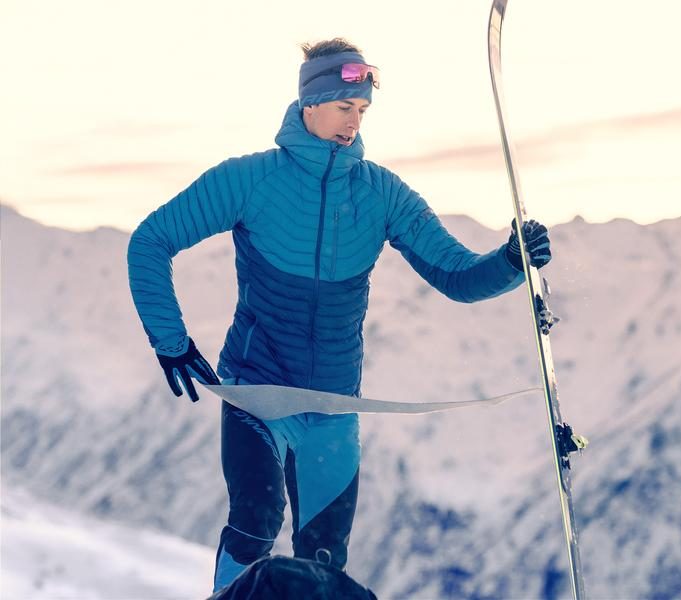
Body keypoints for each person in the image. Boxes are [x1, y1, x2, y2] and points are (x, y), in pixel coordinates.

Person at [126, 37, 552, 592]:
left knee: (325, 560)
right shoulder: (251, 179)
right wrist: (171, 340)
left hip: (333, 406)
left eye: (363, 111)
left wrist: (510, 261)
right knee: (254, 527)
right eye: (344, 107)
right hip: (259, 393)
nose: (354, 122)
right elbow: (150, 241)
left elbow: (458, 278)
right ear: (310, 103)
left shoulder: (382, 194)